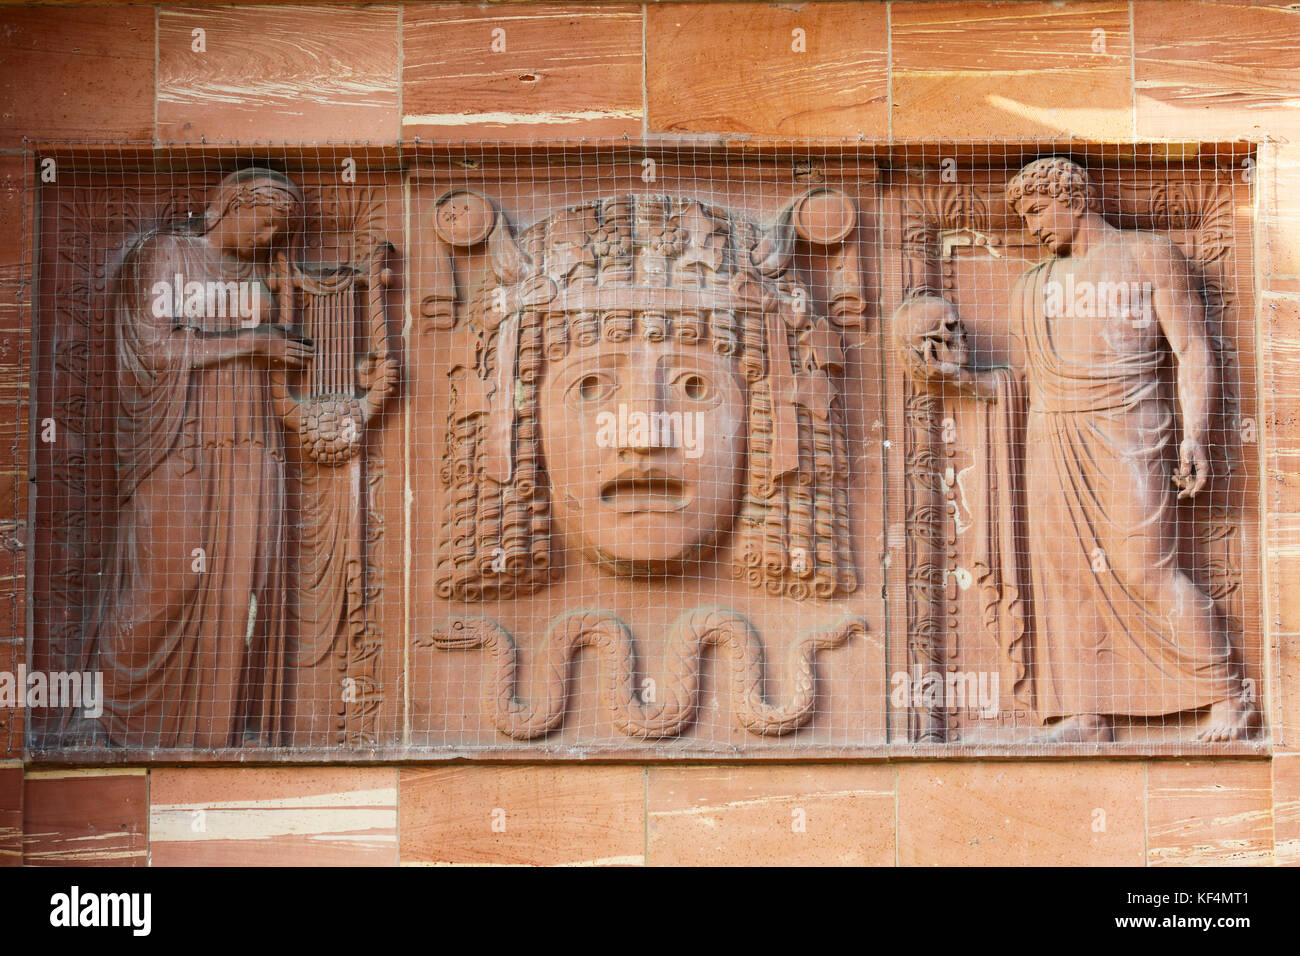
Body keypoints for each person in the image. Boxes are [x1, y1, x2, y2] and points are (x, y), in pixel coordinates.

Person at [86, 168, 313, 748]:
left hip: (250, 439)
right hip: (178, 439)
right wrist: (254, 342)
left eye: (280, 231)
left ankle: (219, 733)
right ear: (231, 205)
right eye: (265, 222)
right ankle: (103, 717)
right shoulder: (167, 254)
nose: (270, 237)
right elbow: (154, 346)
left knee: (244, 581)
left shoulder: (263, 274)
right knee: (169, 582)